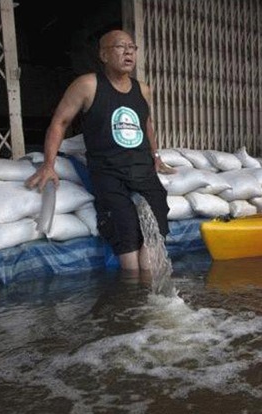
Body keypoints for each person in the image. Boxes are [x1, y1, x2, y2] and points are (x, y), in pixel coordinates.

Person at [25, 29, 175, 275]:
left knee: (156, 223)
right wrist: (49, 165)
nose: (128, 51)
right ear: (104, 55)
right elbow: (59, 122)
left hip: (142, 171)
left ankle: (149, 294)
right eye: (119, 46)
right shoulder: (87, 85)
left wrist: (155, 156)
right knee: (124, 229)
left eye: (132, 47)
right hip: (108, 172)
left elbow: (145, 123)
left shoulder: (143, 89)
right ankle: (131, 297)